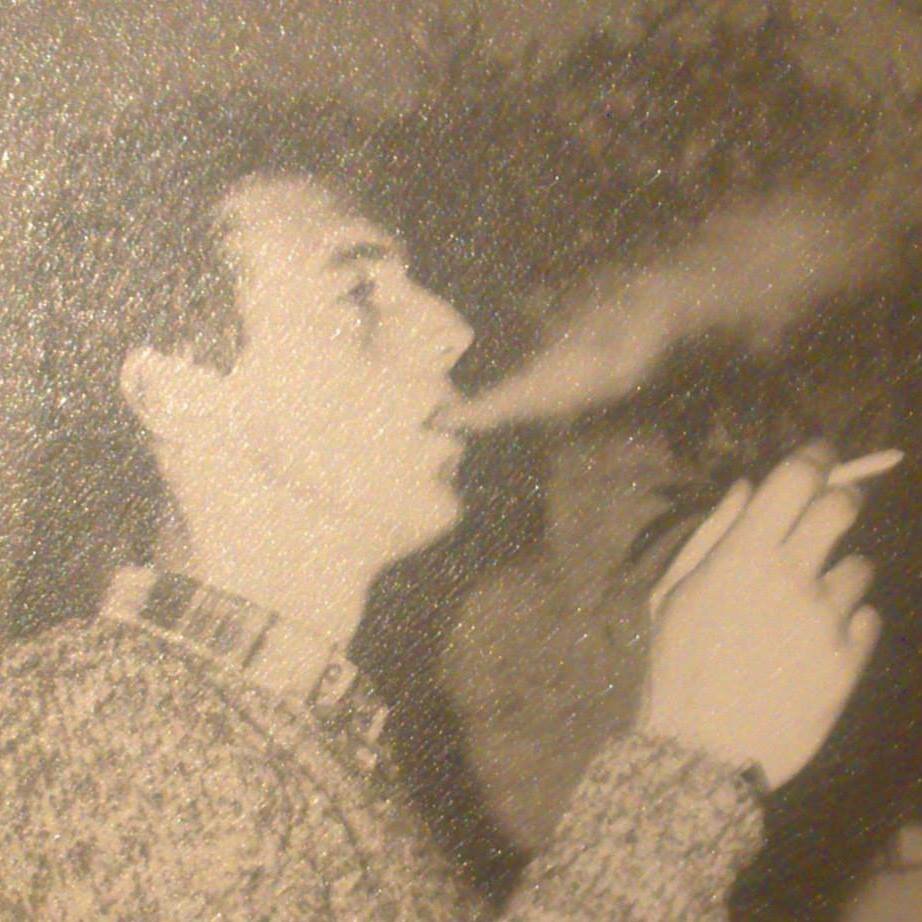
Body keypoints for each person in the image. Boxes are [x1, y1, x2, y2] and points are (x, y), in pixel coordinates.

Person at [0, 89, 883, 919]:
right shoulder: (92, 721)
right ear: (172, 392)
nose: (453, 327)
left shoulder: (297, 735)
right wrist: (693, 760)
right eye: (359, 290)